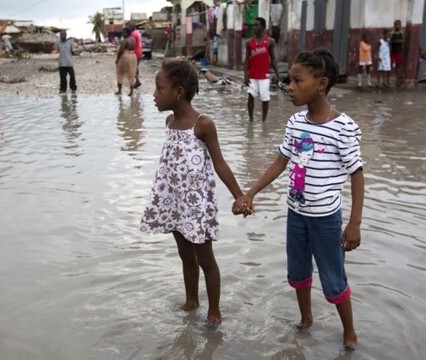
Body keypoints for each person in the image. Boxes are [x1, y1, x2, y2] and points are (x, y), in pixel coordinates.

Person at [233, 49, 364, 350]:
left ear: (321, 84)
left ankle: (350, 331)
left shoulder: (342, 128)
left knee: (333, 278)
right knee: (298, 272)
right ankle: (306, 318)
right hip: (296, 214)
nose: (289, 87)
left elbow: (357, 175)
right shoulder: (295, 123)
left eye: (297, 80)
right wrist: (250, 192)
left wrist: (354, 223)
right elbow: (281, 161)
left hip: (326, 219)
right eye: (289, 80)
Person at [139, 60, 245, 326]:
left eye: (159, 88)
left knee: (205, 258)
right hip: (175, 201)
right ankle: (191, 301)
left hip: (196, 205)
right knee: (185, 255)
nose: (154, 94)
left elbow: (220, 162)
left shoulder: (203, 124)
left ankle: (215, 311)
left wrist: (239, 195)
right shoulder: (169, 121)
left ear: (179, 91)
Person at [243, 17, 280, 122]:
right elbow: (246, 60)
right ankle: (251, 120)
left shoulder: (270, 41)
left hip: (264, 76)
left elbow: (273, 59)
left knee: (265, 98)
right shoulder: (249, 42)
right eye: (253, 25)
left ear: (263, 27)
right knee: (250, 96)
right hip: (252, 75)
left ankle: (264, 121)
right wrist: (245, 75)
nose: (254, 27)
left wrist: (278, 74)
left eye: (257, 25)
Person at [115, 27, 137, 96]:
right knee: (131, 73)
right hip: (133, 55)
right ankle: (131, 91)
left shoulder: (125, 41)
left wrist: (117, 59)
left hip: (125, 56)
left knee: (120, 73)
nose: (122, 34)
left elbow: (121, 51)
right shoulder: (133, 40)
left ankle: (119, 91)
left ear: (127, 33)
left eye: (124, 32)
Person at [390, 20, 405, 86]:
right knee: (389, 65)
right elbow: (390, 41)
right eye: (396, 24)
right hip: (393, 51)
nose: (397, 26)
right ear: (394, 25)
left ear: (400, 25)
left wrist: (397, 41)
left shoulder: (401, 33)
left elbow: (403, 41)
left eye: (398, 24)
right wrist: (396, 41)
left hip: (399, 51)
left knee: (398, 65)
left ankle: (398, 80)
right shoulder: (392, 33)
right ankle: (387, 79)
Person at [129, 23, 144, 89]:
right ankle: (137, 81)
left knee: (133, 68)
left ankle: (137, 81)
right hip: (139, 51)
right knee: (136, 67)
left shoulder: (133, 34)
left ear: (132, 27)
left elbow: (132, 44)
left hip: (135, 52)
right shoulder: (138, 33)